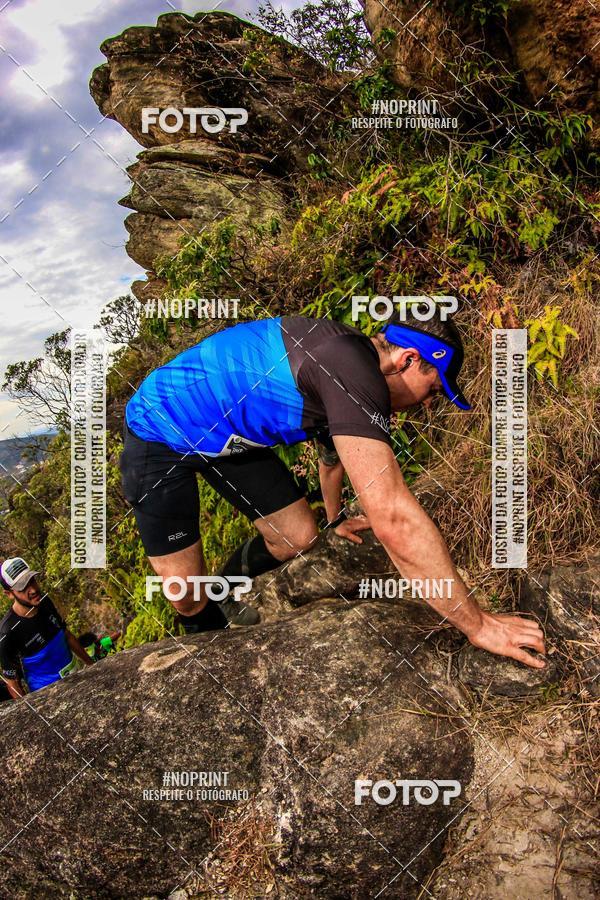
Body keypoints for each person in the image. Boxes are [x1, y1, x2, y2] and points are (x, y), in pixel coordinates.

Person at [120, 309, 546, 669]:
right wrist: (478, 624)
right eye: (435, 389)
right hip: (160, 431)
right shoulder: (348, 368)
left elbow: (331, 458)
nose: (430, 402)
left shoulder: (350, 362)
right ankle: (206, 636)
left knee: (298, 538)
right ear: (409, 360)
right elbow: (392, 515)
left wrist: (335, 517)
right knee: (187, 597)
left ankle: (226, 588)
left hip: (227, 439)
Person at [0, 557, 93, 699]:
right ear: (9, 594)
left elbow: (66, 635)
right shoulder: (8, 631)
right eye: (23, 587)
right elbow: (12, 681)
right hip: (47, 695)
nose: (33, 590)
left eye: (32, 580)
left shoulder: (44, 601)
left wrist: (92, 665)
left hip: (76, 677)